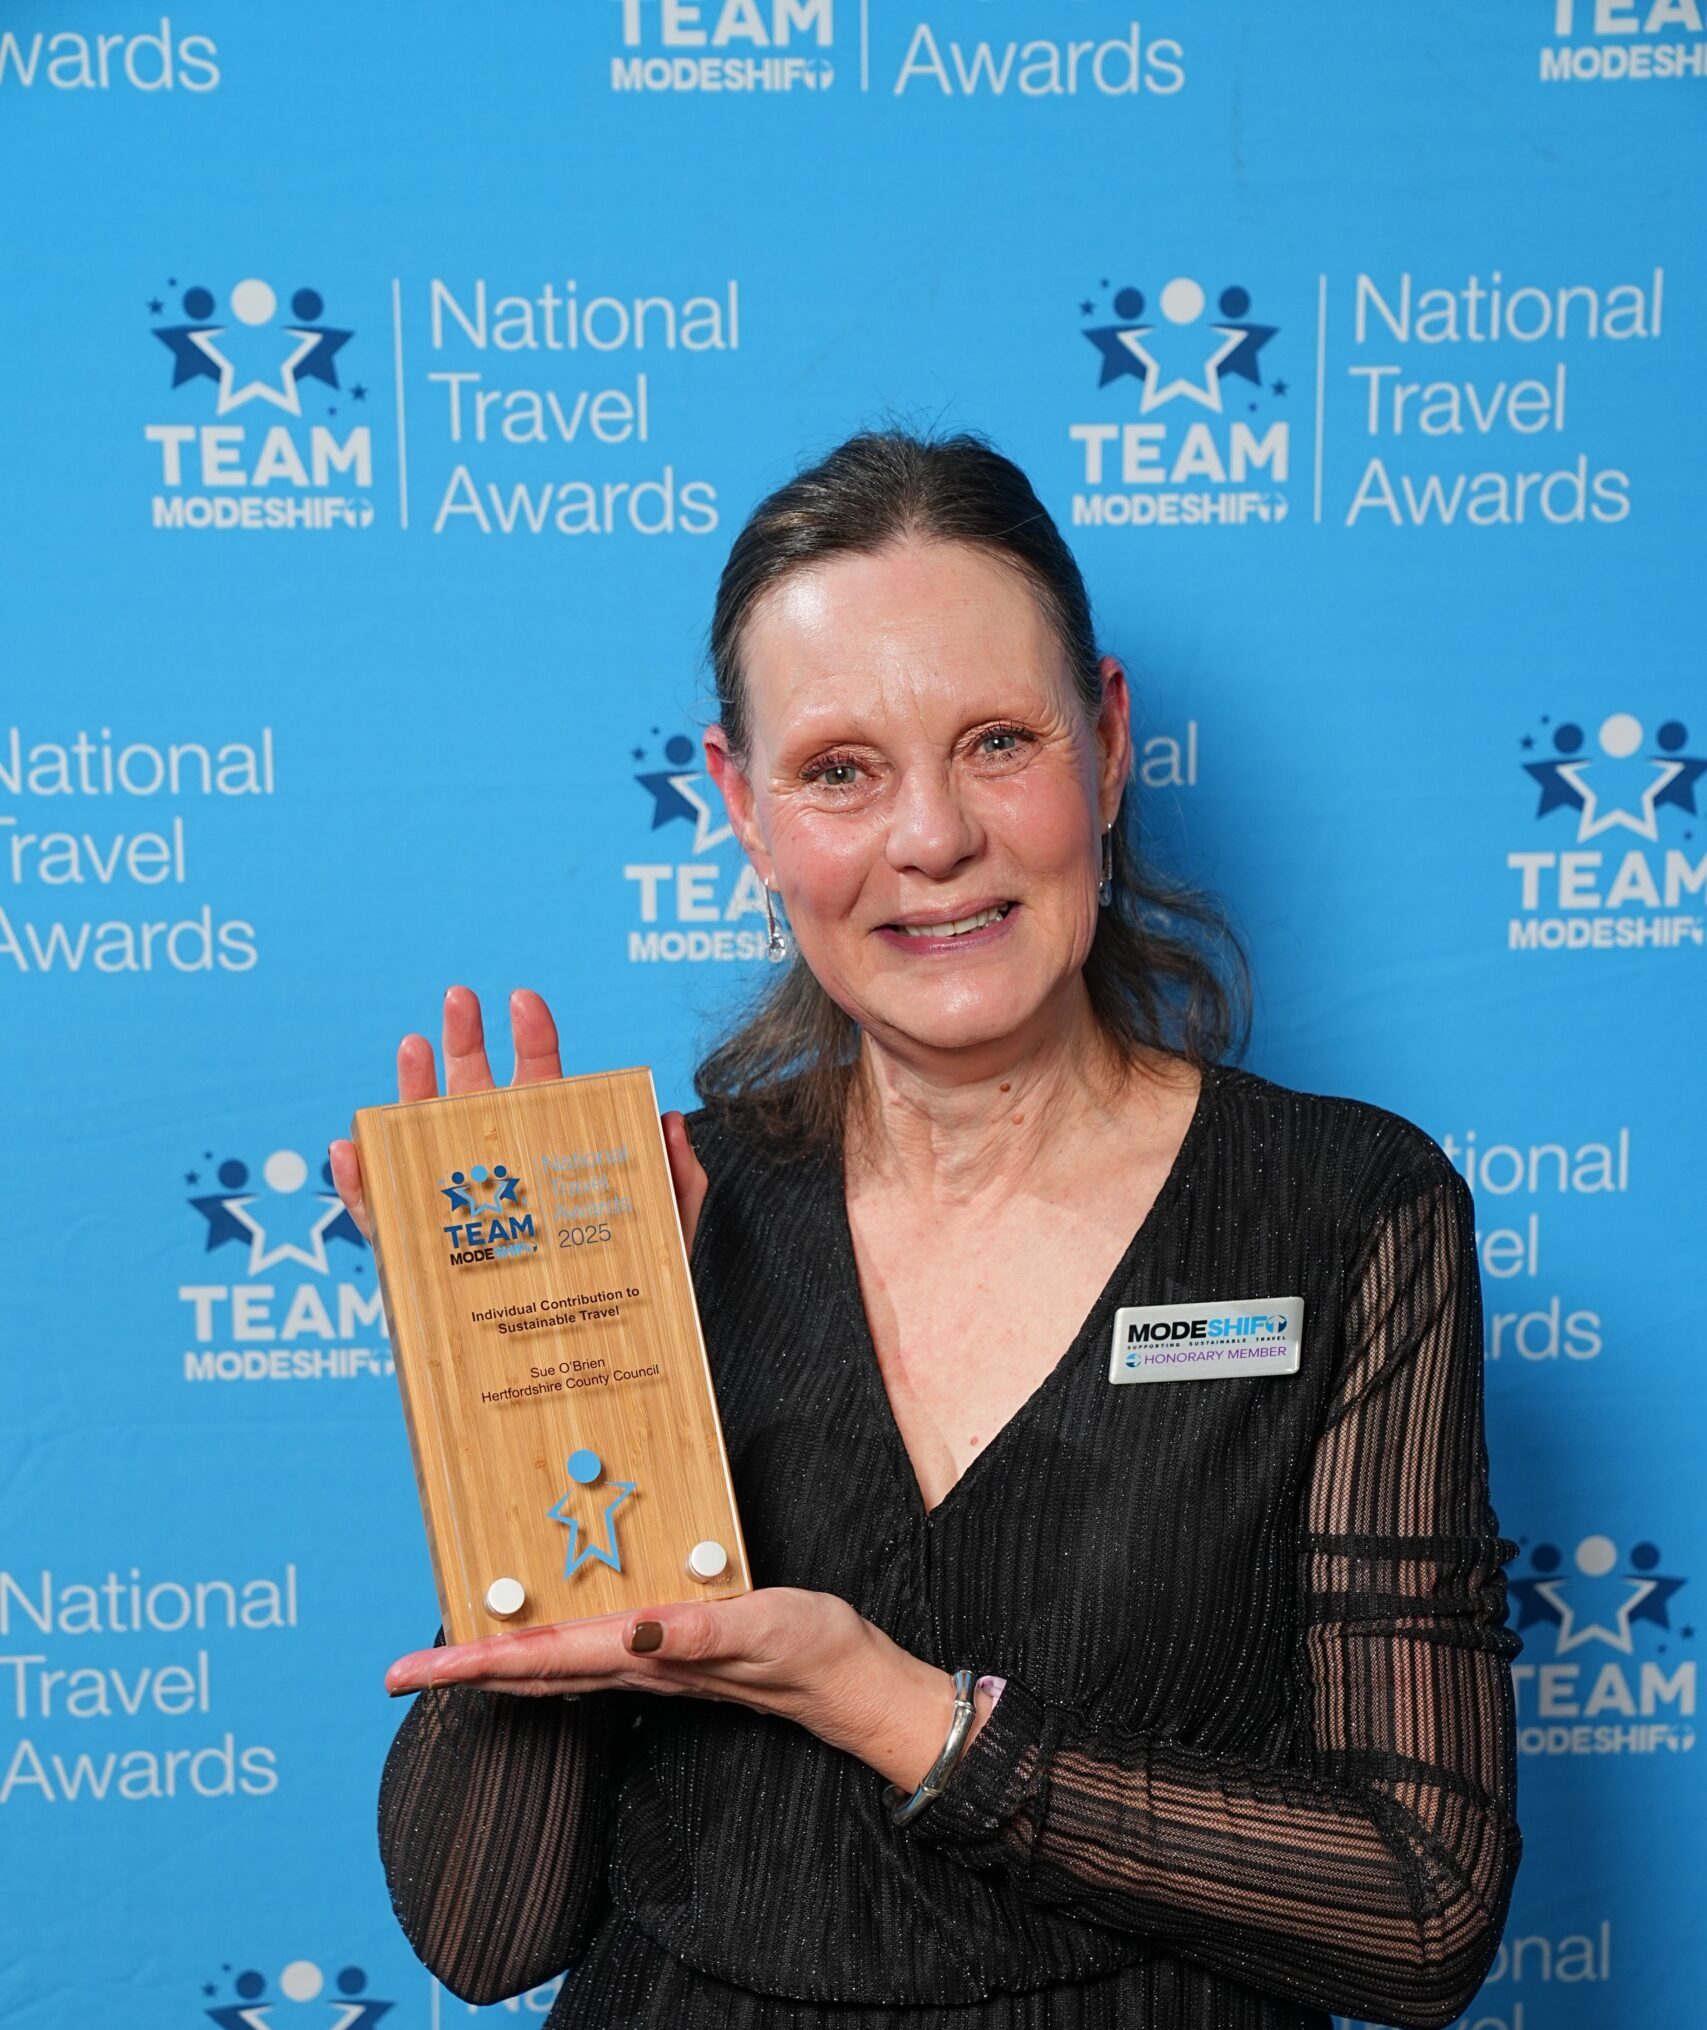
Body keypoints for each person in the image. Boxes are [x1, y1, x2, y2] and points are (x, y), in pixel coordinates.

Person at [329, 430, 1521, 2030]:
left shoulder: (1346, 1210)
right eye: (839, 769)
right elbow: (485, 1934)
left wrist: (905, 1712)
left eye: (997, 741)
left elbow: (1421, 1906)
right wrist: (549, 1427)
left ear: (1104, 744)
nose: (932, 836)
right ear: (742, 808)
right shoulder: (655, 1219)